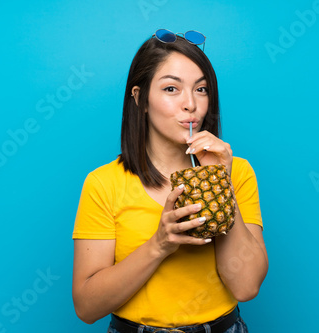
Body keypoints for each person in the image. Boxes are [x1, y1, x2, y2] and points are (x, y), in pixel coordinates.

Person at [72, 29, 268, 333]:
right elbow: (86, 307)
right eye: (171, 89)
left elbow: (246, 287)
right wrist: (159, 245)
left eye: (201, 89)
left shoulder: (236, 171)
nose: (191, 104)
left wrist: (221, 186)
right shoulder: (103, 183)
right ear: (141, 99)